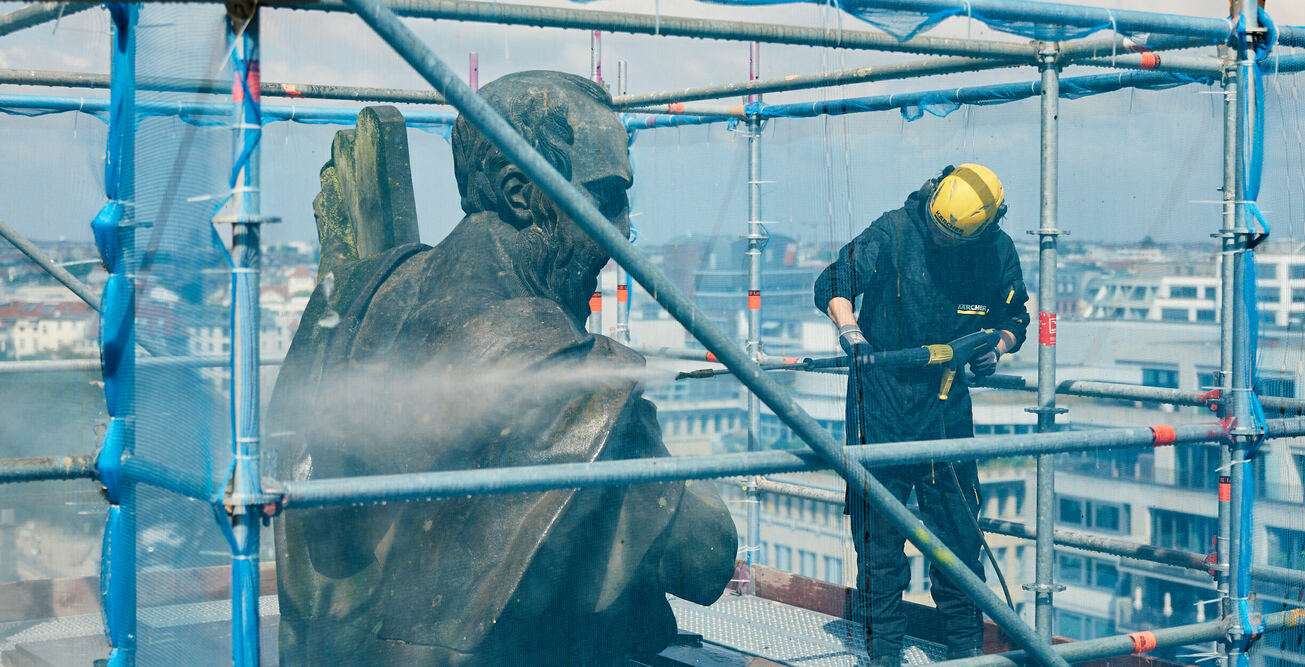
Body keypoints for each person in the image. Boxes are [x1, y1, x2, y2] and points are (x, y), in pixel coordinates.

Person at [269, 70, 735, 666]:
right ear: (521, 195)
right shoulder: (572, 381)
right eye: (607, 198)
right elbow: (706, 558)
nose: (623, 231)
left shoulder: (370, 289)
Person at [813, 163, 1030, 665]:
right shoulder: (894, 230)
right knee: (880, 543)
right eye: (935, 230)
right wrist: (851, 333)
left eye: (950, 239)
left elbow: (1015, 319)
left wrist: (996, 346)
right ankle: (883, 655)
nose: (940, 241)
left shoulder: (996, 251)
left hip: (947, 401)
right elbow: (836, 280)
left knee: (957, 538)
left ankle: (965, 654)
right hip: (880, 396)